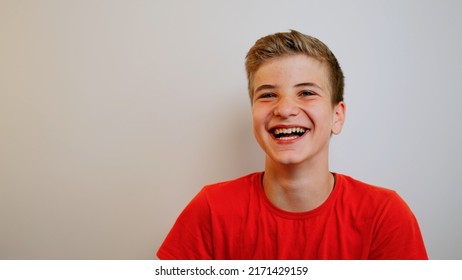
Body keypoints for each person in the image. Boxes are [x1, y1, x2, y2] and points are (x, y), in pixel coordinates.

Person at [156, 30, 428, 260]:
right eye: (268, 94)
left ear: (337, 115)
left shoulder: (385, 215)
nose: (284, 109)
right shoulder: (211, 210)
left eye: (307, 93)